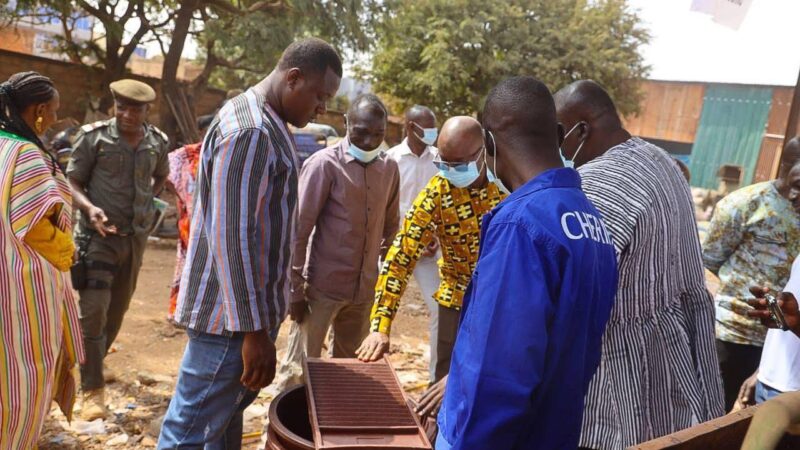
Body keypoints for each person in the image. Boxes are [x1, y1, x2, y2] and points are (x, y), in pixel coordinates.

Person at [158, 38, 342, 449]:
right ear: (293, 78)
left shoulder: (262, 120)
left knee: (220, 422)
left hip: (239, 318)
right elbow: (233, 236)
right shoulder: (252, 130)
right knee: (186, 433)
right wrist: (253, 331)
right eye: (319, 97)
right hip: (231, 323)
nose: (321, 110)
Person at [435, 76, 618, 450]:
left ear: (488, 142)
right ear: (558, 132)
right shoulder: (590, 221)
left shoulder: (521, 224)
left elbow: (496, 372)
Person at [554, 80, 724, 449]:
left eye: (557, 134)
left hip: (615, 381)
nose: (555, 148)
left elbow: (572, 294)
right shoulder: (661, 160)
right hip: (674, 362)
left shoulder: (599, 182)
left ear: (581, 130)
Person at [356, 116, 506, 385]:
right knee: (444, 382)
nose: (449, 170)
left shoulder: (510, 184)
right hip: (456, 299)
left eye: (458, 164)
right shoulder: (438, 191)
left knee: (495, 382)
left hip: (503, 303)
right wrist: (380, 326)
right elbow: (401, 256)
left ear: (483, 151)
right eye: (443, 163)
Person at [273, 93, 399, 389]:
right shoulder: (324, 165)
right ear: (346, 124)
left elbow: (391, 229)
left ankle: (331, 431)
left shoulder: (389, 168)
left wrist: (383, 284)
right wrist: (295, 290)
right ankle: (288, 434)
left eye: (378, 135)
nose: (369, 142)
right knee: (299, 372)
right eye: (361, 133)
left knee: (350, 371)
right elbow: (299, 232)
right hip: (321, 290)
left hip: (364, 290)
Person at [68, 79, 170, 420]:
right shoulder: (93, 137)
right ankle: (91, 391)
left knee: (118, 311)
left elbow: (160, 177)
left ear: (146, 110)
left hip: (134, 239)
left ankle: (96, 362)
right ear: (114, 106)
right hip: (97, 239)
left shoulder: (157, 142)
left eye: (135, 109)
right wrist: (89, 209)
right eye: (121, 107)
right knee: (93, 310)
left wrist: (148, 205)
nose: (127, 114)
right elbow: (73, 181)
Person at [0, 71, 84, 448]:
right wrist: (68, 251)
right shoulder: (27, 155)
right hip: (22, 288)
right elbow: (35, 227)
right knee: (23, 372)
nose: (54, 119)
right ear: (36, 111)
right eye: (52, 112)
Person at [702, 136, 800, 411]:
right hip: (735, 334)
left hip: (787, 343)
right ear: (784, 164)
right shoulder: (744, 204)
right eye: (794, 161)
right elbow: (709, 260)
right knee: (714, 417)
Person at [385, 104, 442, 381]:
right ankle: (369, 373)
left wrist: (435, 236)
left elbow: (445, 203)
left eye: (434, 126)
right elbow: (383, 207)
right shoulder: (391, 160)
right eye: (427, 127)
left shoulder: (441, 160)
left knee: (439, 309)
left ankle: (435, 378)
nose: (433, 132)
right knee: (376, 308)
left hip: (430, 250)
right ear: (409, 127)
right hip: (394, 248)